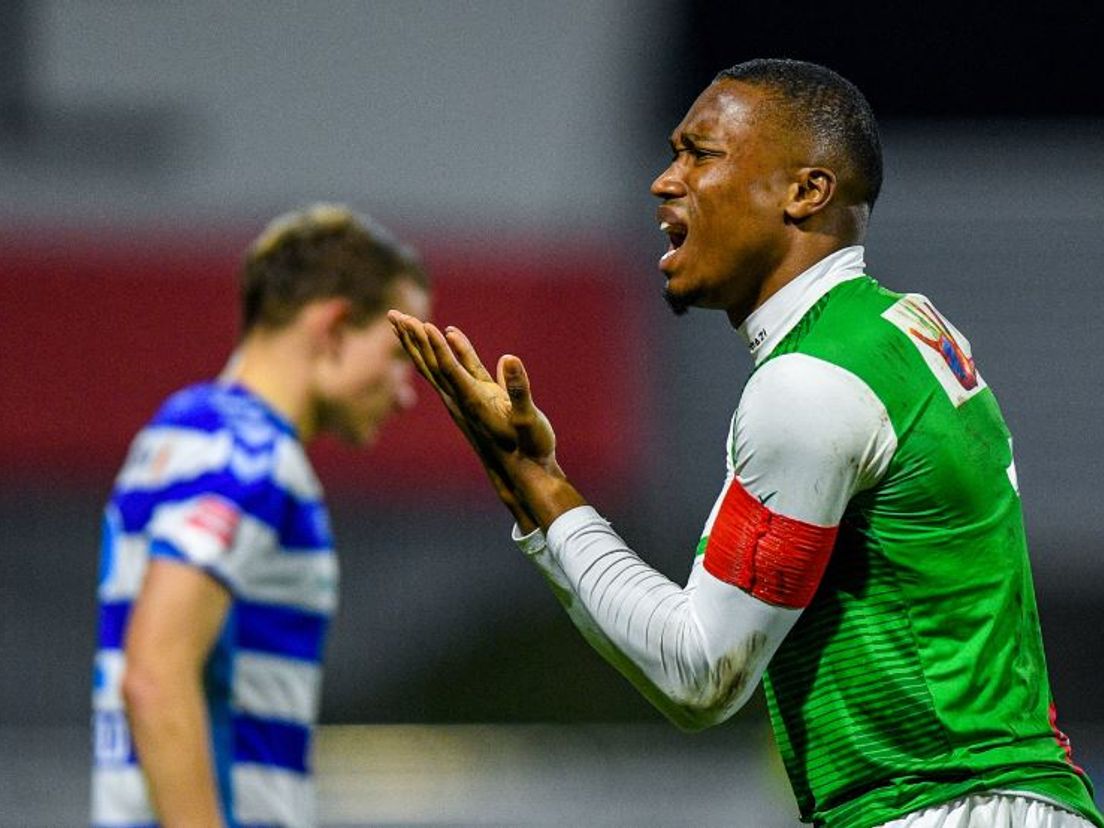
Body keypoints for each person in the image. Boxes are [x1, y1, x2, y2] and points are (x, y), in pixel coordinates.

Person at [388, 59, 1103, 828]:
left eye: (701, 154)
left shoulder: (811, 385)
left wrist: (535, 479)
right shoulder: (904, 332)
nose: (665, 181)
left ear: (806, 191)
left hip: (938, 806)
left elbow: (701, 673)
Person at [91, 204, 430, 828]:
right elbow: (157, 674)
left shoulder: (176, 432)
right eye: (397, 354)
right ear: (331, 328)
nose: (406, 389)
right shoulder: (252, 458)